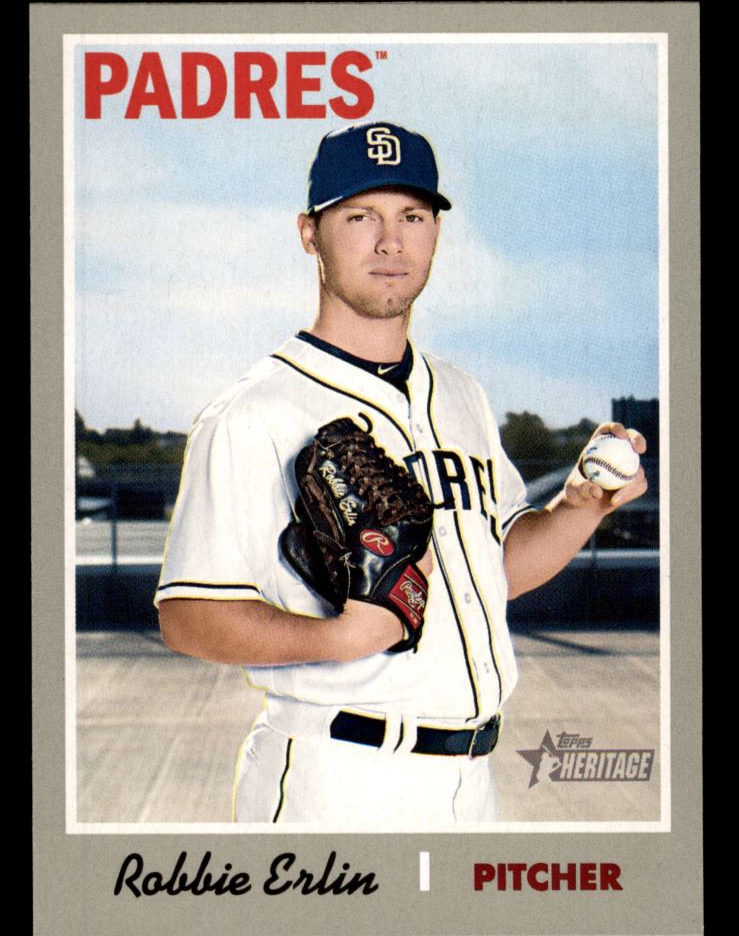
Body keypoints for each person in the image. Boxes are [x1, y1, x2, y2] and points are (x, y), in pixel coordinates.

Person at [155, 121, 647, 829]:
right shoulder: (253, 413)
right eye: (361, 217)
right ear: (309, 234)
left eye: (412, 217)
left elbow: (495, 571)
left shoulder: (462, 394)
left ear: (436, 233)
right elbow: (187, 615)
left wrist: (581, 506)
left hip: (471, 782)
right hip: (337, 778)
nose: (391, 242)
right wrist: (337, 639)